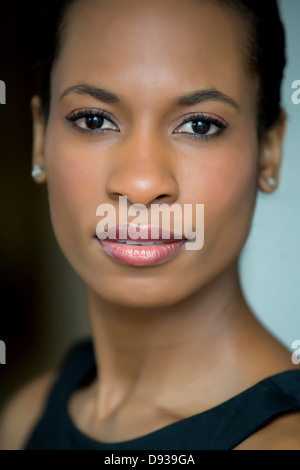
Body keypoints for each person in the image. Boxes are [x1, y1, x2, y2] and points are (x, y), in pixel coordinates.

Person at [0, 0, 300, 450]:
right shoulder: (24, 420)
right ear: (41, 138)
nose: (141, 184)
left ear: (270, 150)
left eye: (199, 126)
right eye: (94, 120)